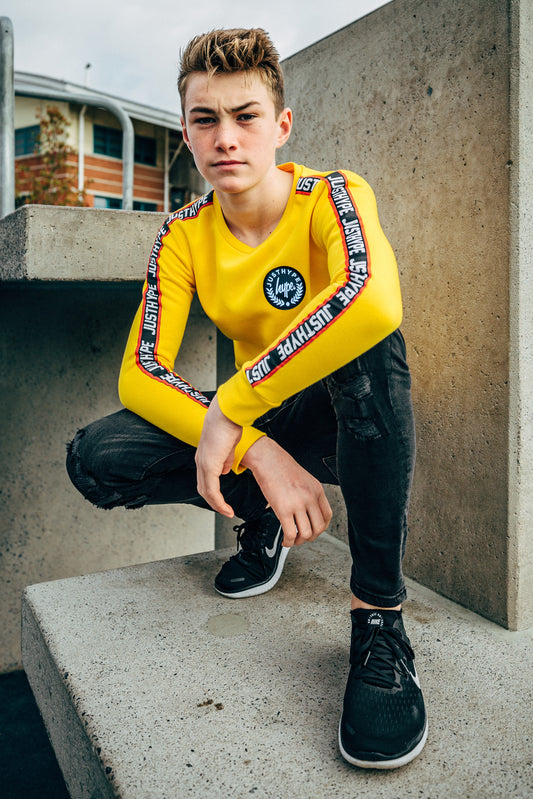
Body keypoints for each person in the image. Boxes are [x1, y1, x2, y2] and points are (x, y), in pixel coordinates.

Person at [66, 28, 427, 769]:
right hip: (262, 431)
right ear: (186, 133)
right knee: (99, 455)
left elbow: (373, 301)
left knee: (366, 342)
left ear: (281, 124)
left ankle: (379, 619)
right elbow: (140, 372)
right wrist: (255, 446)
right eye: (206, 120)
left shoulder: (331, 195)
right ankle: (259, 514)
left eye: (245, 116)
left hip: (348, 423)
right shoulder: (182, 234)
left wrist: (231, 408)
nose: (225, 138)